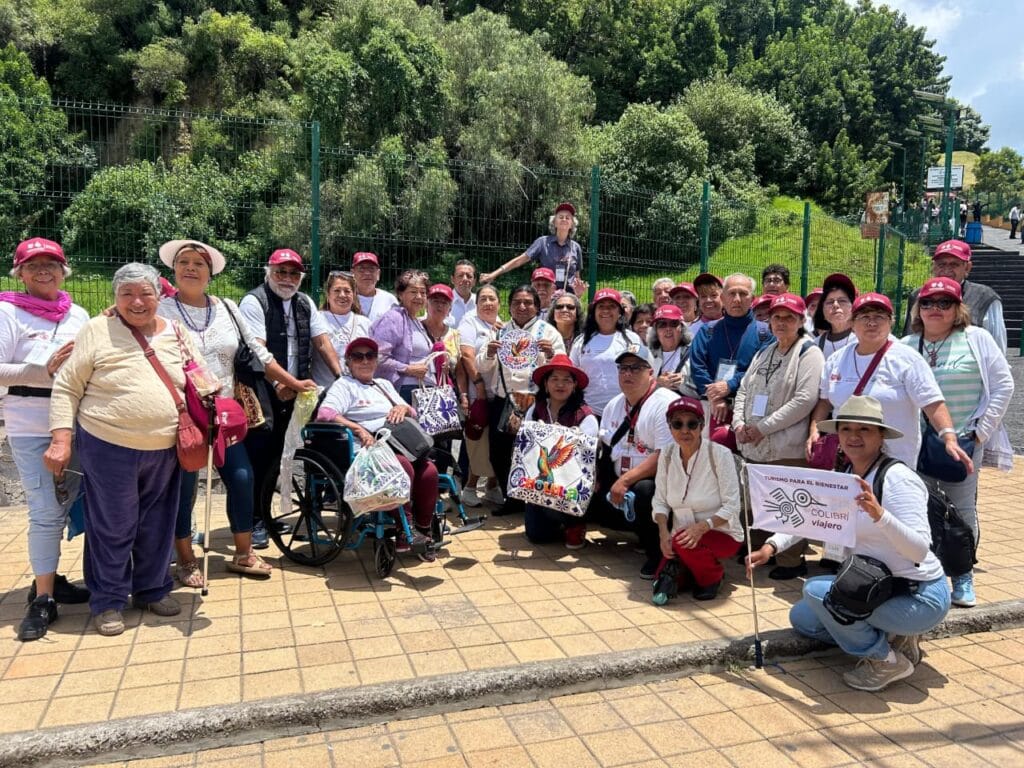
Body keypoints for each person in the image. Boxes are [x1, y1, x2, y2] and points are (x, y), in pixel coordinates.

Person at [44, 263, 207, 637]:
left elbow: (198, 377)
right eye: (127, 294)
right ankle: (108, 601)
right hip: (108, 445)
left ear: (160, 296)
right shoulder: (97, 330)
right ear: (114, 298)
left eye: (146, 293)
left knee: (157, 524)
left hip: (166, 447)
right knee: (112, 526)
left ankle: (151, 590)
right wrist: (61, 439)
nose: (137, 301)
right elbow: (68, 387)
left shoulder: (176, 332)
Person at [749, 396, 951, 692]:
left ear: (881, 435)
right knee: (803, 618)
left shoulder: (896, 478)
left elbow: (919, 550)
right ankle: (894, 637)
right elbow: (812, 518)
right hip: (876, 586)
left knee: (816, 592)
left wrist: (880, 516)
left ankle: (885, 660)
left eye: (865, 430)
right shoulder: (844, 476)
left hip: (918, 595)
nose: (853, 437)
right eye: (846, 429)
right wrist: (771, 548)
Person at [158, 240, 315, 585]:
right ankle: (185, 559)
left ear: (210, 273)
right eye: (184, 262)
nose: (191, 268)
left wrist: (291, 382)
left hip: (224, 414)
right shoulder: (159, 310)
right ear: (174, 270)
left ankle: (243, 553)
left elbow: (259, 353)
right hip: (183, 416)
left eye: (199, 264)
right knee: (184, 489)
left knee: (242, 479)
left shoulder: (228, 307)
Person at [901, 277, 1014, 607]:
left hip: (963, 442)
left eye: (944, 303)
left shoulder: (976, 339)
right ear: (917, 309)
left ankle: (963, 576)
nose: (935, 309)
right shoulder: (907, 345)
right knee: (916, 510)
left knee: (961, 512)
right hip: (916, 446)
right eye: (927, 303)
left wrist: (979, 433)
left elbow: (1003, 386)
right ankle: (926, 573)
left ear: (957, 308)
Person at [1, 238, 90, 641]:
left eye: (50, 264)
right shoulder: (7, 312)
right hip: (32, 426)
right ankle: (43, 600)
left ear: (63, 269)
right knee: (44, 511)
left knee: (68, 506)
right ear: (19, 272)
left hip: (80, 425)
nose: (43, 271)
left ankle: (51, 578)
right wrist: (41, 371)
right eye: (32, 264)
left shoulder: (79, 315)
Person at [239, 248, 341, 548]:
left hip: (294, 388)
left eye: (293, 273)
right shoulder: (254, 301)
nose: (287, 278)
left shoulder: (304, 302)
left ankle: (266, 516)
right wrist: (283, 382)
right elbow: (258, 351)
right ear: (268, 271)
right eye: (281, 272)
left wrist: (342, 377)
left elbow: (322, 342)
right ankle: (254, 521)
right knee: (261, 453)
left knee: (283, 452)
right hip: (262, 387)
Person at [807, 292, 972, 471]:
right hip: (846, 459)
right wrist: (814, 431)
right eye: (864, 317)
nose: (872, 322)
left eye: (879, 316)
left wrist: (949, 437)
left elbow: (932, 402)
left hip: (894, 461)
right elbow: (825, 401)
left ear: (891, 322)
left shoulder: (907, 359)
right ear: (852, 323)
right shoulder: (837, 360)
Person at [317, 337, 437, 559]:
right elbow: (325, 414)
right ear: (348, 362)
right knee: (401, 467)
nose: (365, 361)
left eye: (370, 356)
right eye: (358, 356)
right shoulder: (344, 385)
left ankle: (423, 529)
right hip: (366, 448)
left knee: (429, 472)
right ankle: (404, 528)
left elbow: (413, 411)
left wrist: (402, 407)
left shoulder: (384, 384)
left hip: (398, 443)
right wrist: (358, 429)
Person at [733, 294, 825, 579]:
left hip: (785, 445)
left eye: (789, 317)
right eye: (776, 317)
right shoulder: (764, 352)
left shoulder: (809, 353)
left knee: (789, 503)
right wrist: (738, 423)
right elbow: (744, 390)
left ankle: (790, 560)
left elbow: (804, 400)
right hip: (753, 442)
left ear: (800, 321)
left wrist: (763, 427)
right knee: (759, 500)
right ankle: (759, 549)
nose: (782, 322)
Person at [592, 345, 678, 578]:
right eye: (623, 368)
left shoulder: (665, 403)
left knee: (644, 491)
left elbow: (665, 456)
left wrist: (625, 481)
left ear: (651, 372)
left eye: (636, 368)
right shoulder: (614, 405)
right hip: (623, 474)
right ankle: (639, 533)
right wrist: (597, 480)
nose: (628, 374)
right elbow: (606, 447)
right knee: (586, 495)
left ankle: (658, 555)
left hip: (660, 480)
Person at [477, 285, 564, 513]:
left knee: (536, 453)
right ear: (510, 306)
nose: (522, 306)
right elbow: (482, 367)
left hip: (536, 402)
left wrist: (551, 355)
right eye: (517, 302)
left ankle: (534, 501)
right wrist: (488, 354)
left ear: (537, 306)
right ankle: (512, 498)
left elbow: (562, 368)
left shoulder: (549, 333)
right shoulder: (499, 331)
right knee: (500, 452)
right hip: (504, 401)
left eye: (528, 302)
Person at [652, 397, 743, 603]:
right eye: (677, 424)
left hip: (721, 532)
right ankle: (691, 570)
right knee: (661, 581)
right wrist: (663, 532)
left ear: (701, 426)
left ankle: (712, 578)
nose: (685, 430)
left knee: (682, 544)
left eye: (692, 424)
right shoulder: (666, 454)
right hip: (680, 534)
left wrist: (702, 527)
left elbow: (732, 505)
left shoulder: (720, 454)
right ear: (670, 427)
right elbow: (660, 501)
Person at [521, 354, 598, 548]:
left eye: (566, 380)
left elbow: (587, 458)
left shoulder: (585, 416)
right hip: (541, 480)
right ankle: (556, 522)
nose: (560, 385)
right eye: (554, 379)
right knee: (537, 535)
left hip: (572, 481)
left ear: (574, 386)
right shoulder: (535, 410)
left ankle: (575, 523)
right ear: (545, 384)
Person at [689, 273, 773, 426]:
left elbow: (762, 369)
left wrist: (730, 384)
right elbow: (697, 367)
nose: (737, 299)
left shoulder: (766, 333)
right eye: (732, 293)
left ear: (752, 299)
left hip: (751, 406)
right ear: (722, 298)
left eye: (743, 294)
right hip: (714, 407)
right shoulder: (707, 331)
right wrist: (715, 396)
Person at [902, 240, 1007, 354]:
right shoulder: (918, 296)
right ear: (934, 267)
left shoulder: (984, 297)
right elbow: (910, 332)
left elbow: (998, 347)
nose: (947, 270)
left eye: (954, 264)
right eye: (941, 264)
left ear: (967, 268)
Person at [457, 283, 504, 508]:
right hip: (479, 396)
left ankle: (493, 487)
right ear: (476, 305)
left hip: (500, 395)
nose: (487, 303)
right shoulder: (469, 322)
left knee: (496, 443)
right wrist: (478, 385)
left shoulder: (504, 326)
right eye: (483, 299)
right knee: (479, 444)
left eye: (491, 299)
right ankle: (469, 488)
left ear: (499, 303)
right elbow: (466, 355)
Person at [481, 202, 586, 294]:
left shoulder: (576, 247)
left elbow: (577, 277)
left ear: (572, 224)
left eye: (568, 217)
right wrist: (494, 274)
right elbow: (520, 260)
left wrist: (579, 291)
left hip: (567, 299)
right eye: (561, 217)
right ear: (554, 222)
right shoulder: (543, 242)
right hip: (546, 297)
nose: (564, 219)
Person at [569, 288, 644, 417]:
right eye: (601, 306)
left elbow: (641, 371)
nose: (606, 311)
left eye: (611, 306)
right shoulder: (581, 342)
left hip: (624, 412)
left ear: (620, 312)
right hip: (588, 412)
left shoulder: (632, 339)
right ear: (594, 311)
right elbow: (571, 374)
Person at [371, 270, 439, 404]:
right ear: (400, 294)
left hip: (424, 389)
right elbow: (378, 357)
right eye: (413, 292)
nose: (419, 296)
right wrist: (408, 369)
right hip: (405, 391)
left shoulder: (417, 321)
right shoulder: (394, 318)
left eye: (423, 293)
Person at [313, 271, 371, 388]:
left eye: (347, 291)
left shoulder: (365, 323)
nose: (342, 295)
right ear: (328, 294)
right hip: (325, 390)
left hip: (358, 390)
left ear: (354, 294)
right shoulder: (317, 319)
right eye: (337, 290)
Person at [812, 273, 858, 358]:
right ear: (822, 311)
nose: (835, 305)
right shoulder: (816, 345)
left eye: (842, 301)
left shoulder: (864, 340)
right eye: (830, 302)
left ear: (853, 307)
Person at [650, 305, 692, 396]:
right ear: (656, 331)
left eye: (673, 324)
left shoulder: (693, 353)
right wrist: (657, 383)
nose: (668, 329)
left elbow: (703, 388)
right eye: (662, 325)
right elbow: (639, 388)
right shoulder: (649, 356)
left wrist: (684, 383)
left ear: (681, 328)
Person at [352, 251, 397, 323]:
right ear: (353, 273)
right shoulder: (346, 298)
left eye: (371, 269)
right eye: (361, 269)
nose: (367, 273)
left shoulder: (389, 299)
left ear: (378, 274)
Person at [689, 273, 724, 337]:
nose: (708, 300)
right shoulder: (691, 331)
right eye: (703, 296)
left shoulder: (734, 325)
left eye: (714, 295)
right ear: (698, 300)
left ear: (723, 297)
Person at [448, 259, 477, 328]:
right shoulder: (443, 301)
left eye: (469, 276)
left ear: (474, 281)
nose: (465, 279)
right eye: (460, 276)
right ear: (452, 279)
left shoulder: (480, 301)